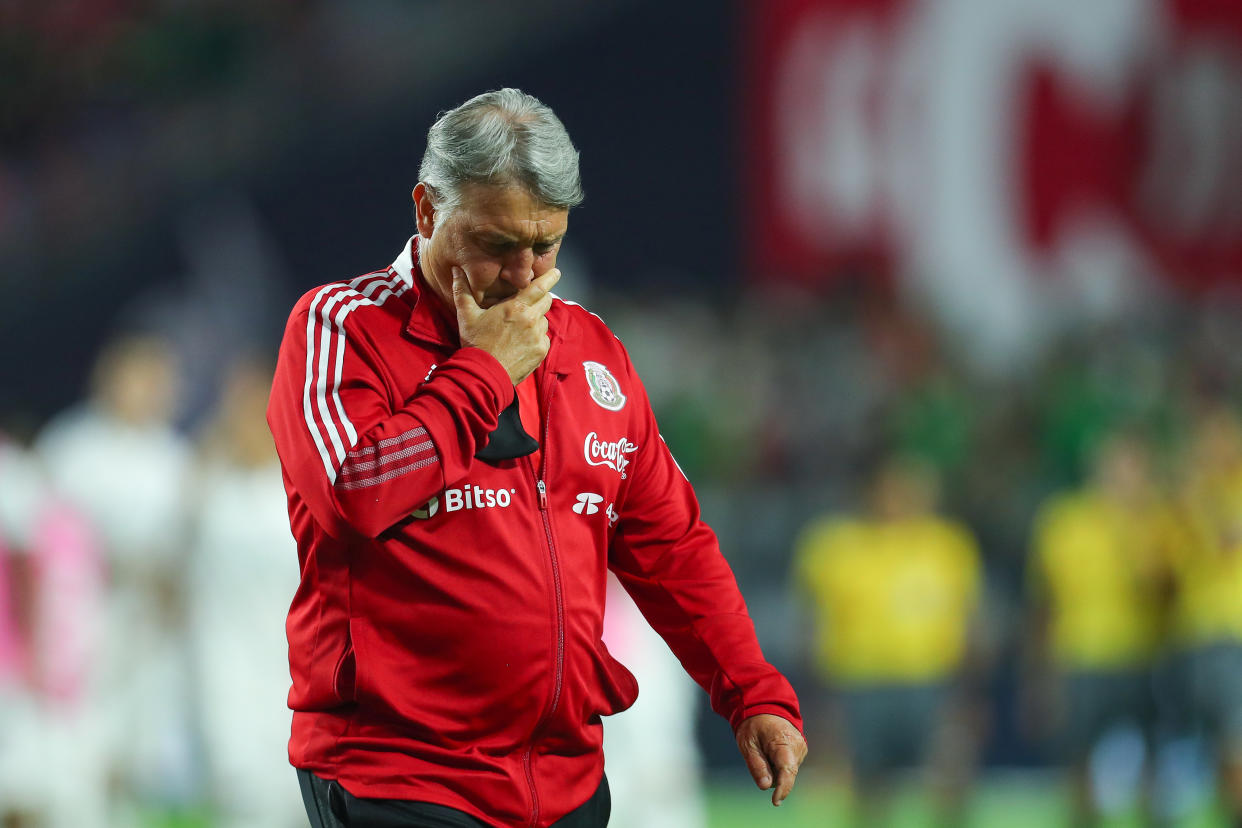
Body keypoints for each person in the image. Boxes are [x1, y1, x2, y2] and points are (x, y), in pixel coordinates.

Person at [266, 88, 807, 828]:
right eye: (495, 245)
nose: (524, 277)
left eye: (544, 245)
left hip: (568, 786)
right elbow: (355, 494)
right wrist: (486, 371)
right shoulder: (341, 328)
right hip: (399, 780)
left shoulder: (593, 352)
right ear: (427, 211)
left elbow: (669, 543)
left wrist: (752, 692)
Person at [793, 455, 983, 827]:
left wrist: (971, 695)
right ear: (871, 491)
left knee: (951, 779)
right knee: (869, 787)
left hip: (932, 681)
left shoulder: (947, 545)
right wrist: (818, 702)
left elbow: (971, 623)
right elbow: (811, 629)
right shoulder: (834, 547)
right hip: (859, 684)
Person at [1024, 430, 1173, 826]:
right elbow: (1044, 603)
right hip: (1081, 656)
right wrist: (1041, 675)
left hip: (1144, 655)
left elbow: (1171, 593)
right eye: (1116, 465)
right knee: (1077, 761)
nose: (1123, 476)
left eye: (1133, 467)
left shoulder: (1159, 520)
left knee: (1153, 764)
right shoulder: (1065, 521)